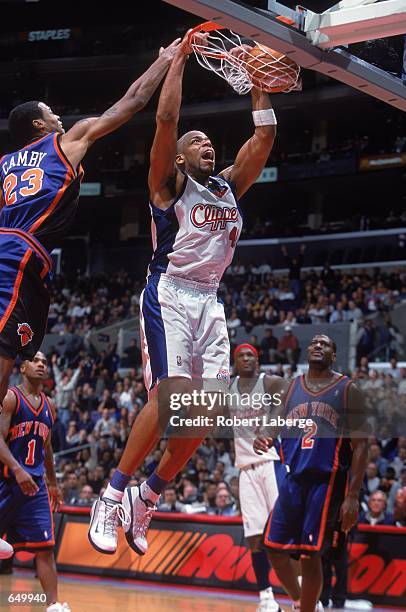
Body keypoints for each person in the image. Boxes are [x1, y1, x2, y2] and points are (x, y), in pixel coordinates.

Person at [88, 30, 277, 556]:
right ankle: (113, 492)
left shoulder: (229, 186)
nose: (205, 143)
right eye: (196, 142)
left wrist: (258, 84)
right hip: (168, 292)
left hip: (210, 300)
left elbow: (261, 140)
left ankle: (149, 492)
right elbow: (167, 120)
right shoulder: (167, 188)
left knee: (207, 412)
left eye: (209, 141)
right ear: (178, 159)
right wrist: (177, 61)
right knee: (169, 398)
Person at [0, 39, 181, 406]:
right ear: (39, 124)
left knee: (8, 353)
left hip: (19, 251)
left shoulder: (4, 164)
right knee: (3, 354)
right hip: (18, 253)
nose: (57, 117)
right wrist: (163, 61)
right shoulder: (66, 141)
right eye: (50, 113)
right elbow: (132, 102)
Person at [254, 334, 368, 612]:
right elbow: (274, 424)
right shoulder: (291, 388)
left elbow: (362, 444)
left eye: (325, 344)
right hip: (294, 479)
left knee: (310, 555)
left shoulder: (347, 388)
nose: (318, 346)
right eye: (314, 342)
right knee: (272, 547)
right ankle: (301, 601)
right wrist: (266, 437)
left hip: (326, 481)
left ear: (333, 355)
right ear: (307, 351)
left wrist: (352, 496)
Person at [0, 351, 68, 612]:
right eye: (36, 360)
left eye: (45, 362)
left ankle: (53, 605)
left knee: (45, 548)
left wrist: (52, 481)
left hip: (35, 486)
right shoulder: (10, 397)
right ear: (23, 366)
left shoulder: (49, 406)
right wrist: (17, 469)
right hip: (7, 480)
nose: (41, 364)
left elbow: (47, 446)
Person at [230, 343, 288, 612]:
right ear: (234, 361)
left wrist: (271, 427)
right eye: (241, 355)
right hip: (245, 470)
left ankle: (303, 592)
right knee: (254, 536)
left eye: (250, 354)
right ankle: (266, 596)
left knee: (285, 532)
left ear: (258, 358)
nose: (245, 358)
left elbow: (289, 393)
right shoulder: (227, 389)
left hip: (270, 465)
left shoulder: (270, 382)